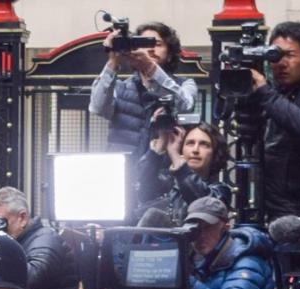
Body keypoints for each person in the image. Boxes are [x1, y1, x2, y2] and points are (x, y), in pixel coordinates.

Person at [250, 21, 300, 220]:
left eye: (290, 55)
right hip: (274, 211)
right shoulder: (279, 91)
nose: (281, 63)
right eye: (275, 55)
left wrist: (264, 91)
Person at [90, 21, 196, 152]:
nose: (151, 49)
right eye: (144, 44)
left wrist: (151, 68)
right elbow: (98, 108)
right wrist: (113, 62)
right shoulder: (120, 87)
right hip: (126, 166)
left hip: (165, 167)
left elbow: (185, 107)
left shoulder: (185, 84)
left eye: (157, 44)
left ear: (169, 54)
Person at [134, 120, 231, 225]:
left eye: (204, 144)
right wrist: (158, 148)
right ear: (182, 149)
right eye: (190, 143)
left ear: (215, 153)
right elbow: (143, 188)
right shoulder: (168, 184)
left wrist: (175, 155)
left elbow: (203, 204)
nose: (195, 150)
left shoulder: (221, 191)